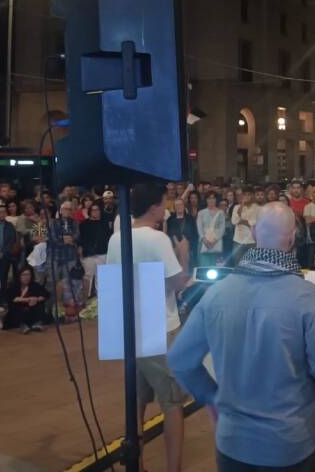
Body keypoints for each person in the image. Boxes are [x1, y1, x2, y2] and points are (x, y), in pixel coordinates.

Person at [169, 201, 315, 472]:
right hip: (293, 443)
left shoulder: (217, 293)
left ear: (254, 235)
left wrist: (213, 398)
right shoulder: (305, 296)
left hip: (233, 443)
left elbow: (180, 360)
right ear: (293, 238)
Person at [107, 181, 190, 472]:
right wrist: (184, 252)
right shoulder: (157, 240)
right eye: (165, 201)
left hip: (128, 324)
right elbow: (178, 282)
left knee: (137, 401)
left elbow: (114, 282)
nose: (167, 206)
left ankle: (137, 464)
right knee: (173, 401)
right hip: (159, 323)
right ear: (155, 206)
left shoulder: (117, 238)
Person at [47, 200, 84, 319]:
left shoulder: (74, 223)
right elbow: (52, 238)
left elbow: (77, 235)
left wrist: (69, 239)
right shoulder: (54, 223)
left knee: (69, 283)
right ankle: (51, 309)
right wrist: (64, 240)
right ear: (61, 211)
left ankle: (67, 311)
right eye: (65, 209)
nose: (67, 211)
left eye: (70, 209)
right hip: (56, 256)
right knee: (53, 282)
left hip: (71, 256)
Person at [0, 265, 49, 333]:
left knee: (40, 305)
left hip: (30, 312)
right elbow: (12, 298)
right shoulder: (14, 286)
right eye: (24, 275)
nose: (26, 277)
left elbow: (46, 295)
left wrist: (36, 299)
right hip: (17, 314)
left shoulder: (34, 285)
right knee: (16, 307)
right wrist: (28, 299)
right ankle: (22, 325)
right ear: (19, 276)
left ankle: (37, 324)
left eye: (28, 275)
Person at [79, 202, 111, 299]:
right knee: (88, 276)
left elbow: (107, 237)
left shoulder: (104, 223)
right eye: (94, 210)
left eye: (98, 210)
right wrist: (80, 250)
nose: (96, 212)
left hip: (102, 252)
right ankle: (86, 297)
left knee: (101, 276)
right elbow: (81, 239)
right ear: (90, 212)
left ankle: (100, 297)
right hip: (89, 254)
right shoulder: (84, 224)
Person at [229, 189, 259, 266]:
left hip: (252, 241)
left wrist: (244, 221)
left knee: (252, 264)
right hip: (238, 240)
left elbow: (254, 223)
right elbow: (234, 221)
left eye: (249, 194)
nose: (247, 197)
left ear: (252, 196)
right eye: (245, 195)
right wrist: (242, 205)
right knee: (237, 263)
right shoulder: (236, 207)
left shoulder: (258, 208)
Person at [196, 193, 226, 268]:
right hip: (203, 242)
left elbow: (222, 228)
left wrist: (215, 240)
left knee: (214, 267)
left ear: (216, 200)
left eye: (213, 198)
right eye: (209, 198)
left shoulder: (221, 212)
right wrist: (204, 239)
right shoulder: (201, 212)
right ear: (206, 200)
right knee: (203, 267)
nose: (211, 200)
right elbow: (199, 227)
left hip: (216, 242)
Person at [165, 198, 191, 271]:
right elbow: (168, 233)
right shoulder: (170, 219)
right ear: (174, 208)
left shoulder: (190, 218)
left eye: (180, 204)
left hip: (187, 247)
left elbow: (193, 233)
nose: (179, 207)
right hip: (174, 247)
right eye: (177, 205)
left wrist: (185, 241)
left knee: (185, 269)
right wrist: (175, 242)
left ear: (184, 206)